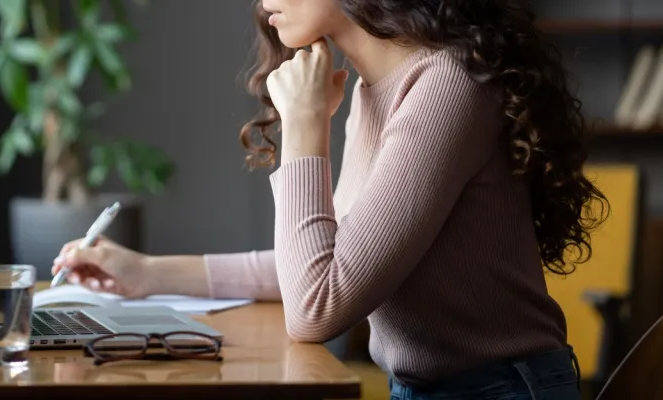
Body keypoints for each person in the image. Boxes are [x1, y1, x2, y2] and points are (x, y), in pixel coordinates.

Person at [52, 0, 608, 398]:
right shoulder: (374, 90)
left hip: (503, 389)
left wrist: (306, 123)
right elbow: (327, 266)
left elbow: (318, 306)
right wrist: (145, 273)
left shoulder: (447, 88)